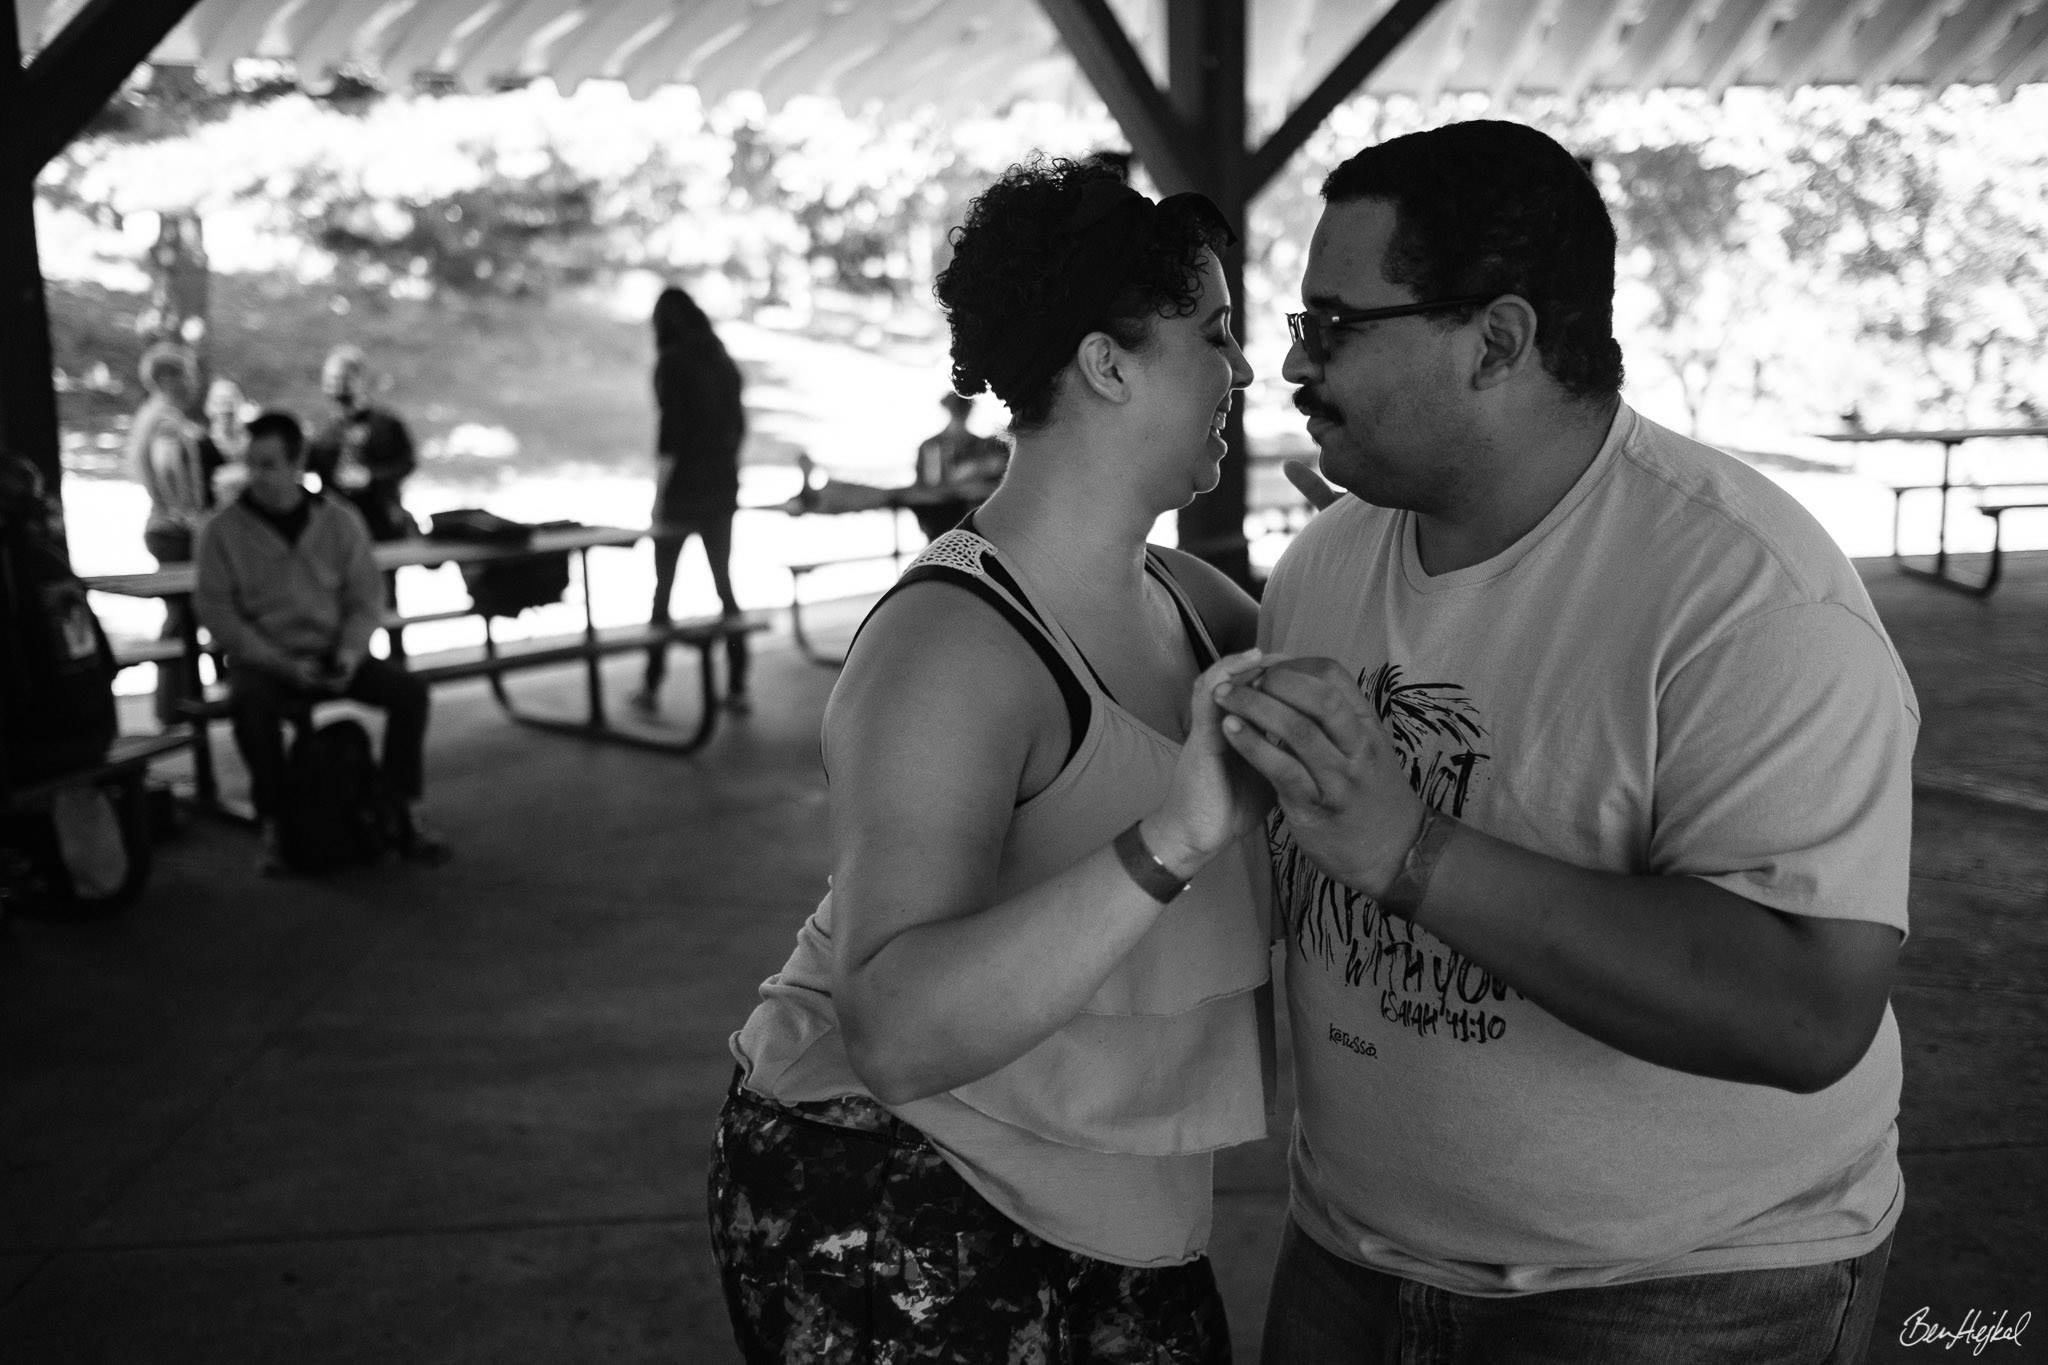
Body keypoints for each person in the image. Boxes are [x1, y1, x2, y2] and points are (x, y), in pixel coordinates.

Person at [1207, 120, 1916, 1363]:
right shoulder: (1327, 560)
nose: (1292, 369)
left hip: (1686, 1290)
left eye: (1332, 326)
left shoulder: (1743, 596)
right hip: (1353, 1256)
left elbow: (1806, 1014)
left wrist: (1407, 850)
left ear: (1496, 340)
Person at [709, 157, 1272, 1361]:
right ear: (1106, 363)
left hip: (1114, 1209)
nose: (1242, 369)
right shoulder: (949, 647)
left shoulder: (1196, 601)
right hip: (902, 1200)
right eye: (1214, 335)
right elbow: (898, 1030)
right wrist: (1171, 836)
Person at [194, 410, 450, 877]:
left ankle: (401, 810)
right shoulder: (222, 530)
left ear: (297, 465)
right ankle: (273, 825)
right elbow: (219, 614)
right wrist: (278, 663)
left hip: (333, 652)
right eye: (251, 465)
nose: (257, 476)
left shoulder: (338, 521)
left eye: (269, 465)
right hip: (267, 661)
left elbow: (365, 597)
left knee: (409, 693)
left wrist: (350, 653)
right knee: (250, 706)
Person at [632, 285, 749, 718]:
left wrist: (659, 495)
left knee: (663, 589)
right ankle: (738, 683)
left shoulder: (671, 364)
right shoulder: (723, 363)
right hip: (721, 489)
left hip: (684, 494)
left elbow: (671, 437)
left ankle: (650, 685)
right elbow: (738, 429)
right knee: (725, 585)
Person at [124, 341, 209, 727]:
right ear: (166, 377)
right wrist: (183, 510)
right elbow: (168, 463)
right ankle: (175, 705)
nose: (191, 382)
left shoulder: (151, 415)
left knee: (182, 616)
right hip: (173, 530)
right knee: (181, 617)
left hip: (162, 527)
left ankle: (177, 701)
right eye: (185, 373)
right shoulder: (166, 420)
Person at [306, 344, 419, 544]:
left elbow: (407, 463)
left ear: (358, 379)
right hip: (336, 526)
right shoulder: (322, 430)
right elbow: (303, 465)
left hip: (380, 522)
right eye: (331, 380)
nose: (335, 386)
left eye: (341, 379)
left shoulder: (387, 423)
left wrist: (371, 477)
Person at [201, 376, 251, 505]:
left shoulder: (252, 439)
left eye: (230, 402)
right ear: (210, 407)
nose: (225, 409)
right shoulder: (203, 445)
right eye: (219, 403)